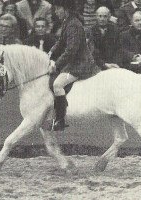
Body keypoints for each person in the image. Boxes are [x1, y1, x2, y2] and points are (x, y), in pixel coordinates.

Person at [48, 0, 96, 131]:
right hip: (75, 62)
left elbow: (70, 51)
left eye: (58, 9)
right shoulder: (67, 22)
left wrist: (56, 65)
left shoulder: (73, 25)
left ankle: (60, 120)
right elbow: (60, 41)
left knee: (57, 85)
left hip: (81, 64)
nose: (56, 12)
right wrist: (51, 51)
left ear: (66, 9)